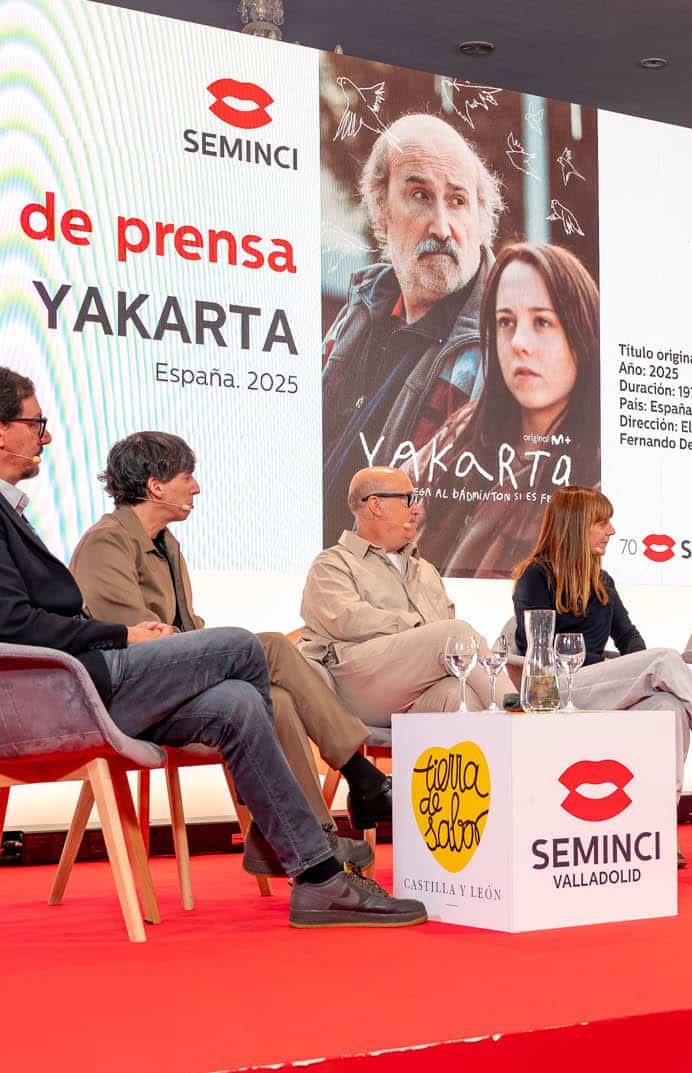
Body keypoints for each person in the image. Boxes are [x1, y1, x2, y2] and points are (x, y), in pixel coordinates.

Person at [0, 365, 422, 928]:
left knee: (239, 702)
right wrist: (118, 634)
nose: (45, 437)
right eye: (36, 424)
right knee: (247, 647)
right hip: (52, 698)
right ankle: (331, 805)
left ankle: (314, 876)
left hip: (78, 684)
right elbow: (13, 625)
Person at [68, 431, 394, 851]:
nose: (196, 488)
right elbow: (135, 638)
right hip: (134, 694)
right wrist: (209, 652)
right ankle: (360, 775)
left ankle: (311, 837)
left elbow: (181, 630)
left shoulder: (166, 544)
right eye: (187, 477)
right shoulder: (106, 541)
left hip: (173, 686)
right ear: (155, 485)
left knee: (278, 699)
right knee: (272, 646)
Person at [320, 114, 503, 528]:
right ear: (381, 210)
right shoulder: (361, 308)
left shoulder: (499, 346)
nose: (442, 228)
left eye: (458, 201)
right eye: (420, 195)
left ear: (480, 219)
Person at [416, 242, 602, 578]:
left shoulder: (601, 477)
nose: (519, 343)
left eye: (542, 321)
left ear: (583, 333)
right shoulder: (463, 429)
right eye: (505, 322)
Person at [511, 486, 692, 787]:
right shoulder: (536, 576)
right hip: (554, 689)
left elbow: (628, 637)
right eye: (602, 523)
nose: (612, 531)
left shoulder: (602, 580)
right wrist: (644, 668)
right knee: (664, 659)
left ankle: (663, 801)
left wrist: (639, 673)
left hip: (596, 689)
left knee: (668, 707)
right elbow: (538, 649)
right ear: (577, 526)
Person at [300, 466, 495, 722]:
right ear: (376, 505)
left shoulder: (425, 570)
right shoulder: (332, 563)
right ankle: (526, 713)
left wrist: (431, 637)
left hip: (418, 686)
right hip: (356, 686)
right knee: (454, 634)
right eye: (408, 500)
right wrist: (419, 628)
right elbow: (347, 619)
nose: (417, 510)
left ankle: (515, 739)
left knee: (461, 696)